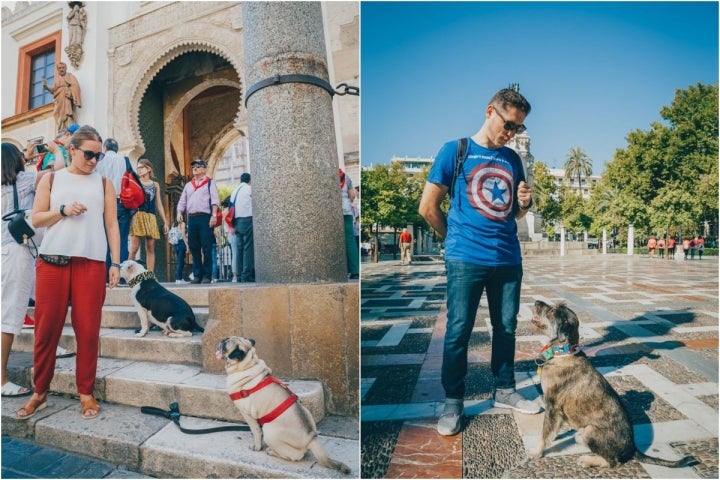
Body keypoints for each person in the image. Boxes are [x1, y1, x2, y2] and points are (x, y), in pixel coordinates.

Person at [419, 88, 539, 436]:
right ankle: (453, 401)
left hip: (507, 259)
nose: (511, 133)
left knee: (506, 328)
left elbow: (512, 214)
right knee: (458, 332)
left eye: (518, 129)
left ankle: (505, 389)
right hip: (466, 258)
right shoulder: (455, 151)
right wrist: (454, 241)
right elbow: (427, 208)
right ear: (490, 111)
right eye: (508, 124)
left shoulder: (512, 159)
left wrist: (525, 204)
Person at [17, 125, 120, 421]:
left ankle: (86, 392)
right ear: (72, 150)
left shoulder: (103, 184)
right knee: (45, 332)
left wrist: (115, 263)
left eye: (98, 156)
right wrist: (61, 210)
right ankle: (40, 391)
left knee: (88, 332)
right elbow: (36, 219)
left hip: (91, 263)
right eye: (88, 154)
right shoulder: (50, 178)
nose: (93, 160)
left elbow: (112, 225)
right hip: (52, 262)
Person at [1, 143, 36, 398]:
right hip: (15, 251)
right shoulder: (25, 180)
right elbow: (57, 171)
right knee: (10, 316)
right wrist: (57, 150)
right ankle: (1, 380)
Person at [176, 158, 220, 284]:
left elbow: (215, 200)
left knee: (206, 247)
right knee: (194, 247)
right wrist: (179, 212)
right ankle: (197, 275)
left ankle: (207, 275)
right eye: (193, 166)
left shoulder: (209, 183)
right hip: (192, 218)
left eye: (198, 166)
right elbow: (182, 201)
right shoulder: (188, 185)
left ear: (204, 169)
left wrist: (214, 215)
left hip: (205, 217)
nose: (195, 168)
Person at [94, 138, 132, 270]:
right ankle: (120, 274)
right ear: (117, 149)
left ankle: (105, 274)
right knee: (121, 239)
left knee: (104, 239)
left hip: (104, 204)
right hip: (121, 203)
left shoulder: (99, 160)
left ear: (104, 148)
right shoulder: (125, 160)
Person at [128, 159, 168, 272]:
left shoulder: (155, 185)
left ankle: (150, 275)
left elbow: (159, 204)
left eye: (141, 167)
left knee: (150, 247)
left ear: (148, 169)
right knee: (134, 248)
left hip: (151, 216)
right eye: (138, 168)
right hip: (137, 215)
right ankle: (126, 275)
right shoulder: (135, 182)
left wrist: (165, 222)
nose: (139, 170)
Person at [229, 172, 254, 282]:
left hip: (237, 222)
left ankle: (238, 276)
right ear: (249, 181)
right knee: (248, 248)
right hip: (247, 219)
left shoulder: (235, 191)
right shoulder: (249, 189)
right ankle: (246, 275)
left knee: (239, 249)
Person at [42, 62, 82, 132]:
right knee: (58, 115)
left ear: (66, 68)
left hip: (66, 99)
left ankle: (69, 129)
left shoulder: (70, 76)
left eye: (63, 68)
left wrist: (70, 93)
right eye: (59, 68)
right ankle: (62, 129)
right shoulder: (57, 80)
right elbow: (54, 91)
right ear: (57, 70)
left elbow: (76, 86)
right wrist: (46, 87)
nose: (61, 69)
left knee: (67, 114)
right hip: (59, 100)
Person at [340, 169, 359, 279]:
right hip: (346, 211)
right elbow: (352, 195)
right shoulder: (346, 177)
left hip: (332, 211)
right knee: (350, 240)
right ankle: (355, 270)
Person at [170, 220, 189, 284]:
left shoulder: (174, 223)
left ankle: (179, 278)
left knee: (179, 261)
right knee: (181, 262)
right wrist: (187, 245)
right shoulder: (182, 223)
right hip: (181, 242)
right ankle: (179, 279)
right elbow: (183, 235)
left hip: (176, 244)